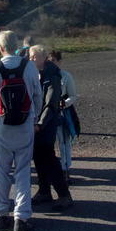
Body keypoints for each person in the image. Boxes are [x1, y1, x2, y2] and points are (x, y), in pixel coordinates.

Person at [0, 30, 42, 231]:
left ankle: (1, 214)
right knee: (23, 170)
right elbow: (37, 94)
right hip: (25, 123)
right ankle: (22, 216)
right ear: (16, 45)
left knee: (1, 169)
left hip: (2, 124)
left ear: (0, 47)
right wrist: (33, 116)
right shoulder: (29, 66)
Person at [29, 45, 74, 211]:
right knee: (38, 157)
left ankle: (64, 194)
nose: (31, 59)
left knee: (48, 158)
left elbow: (51, 103)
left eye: (34, 57)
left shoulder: (52, 75)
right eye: (30, 57)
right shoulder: (37, 73)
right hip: (37, 124)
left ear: (42, 58)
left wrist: (40, 123)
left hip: (46, 124)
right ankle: (44, 191)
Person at [48, 50, 79, 183]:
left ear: (59, 62)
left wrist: (63, 104)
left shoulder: (66, 76)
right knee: (47, 143)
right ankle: (48, 171)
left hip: (62, 112)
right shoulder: (43, 76)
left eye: (54, 61)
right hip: (47, 113)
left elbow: (73, 95)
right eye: (49, 61)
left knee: (64, 142)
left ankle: (65, 169)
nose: (51, 63)